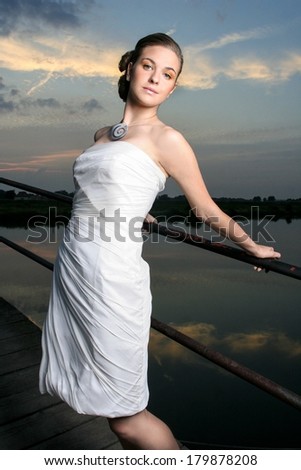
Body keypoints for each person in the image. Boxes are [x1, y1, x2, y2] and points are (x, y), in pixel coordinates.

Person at [39, 32, 281, 450]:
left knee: (127, 418)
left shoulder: (168, 140)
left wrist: (250, 244)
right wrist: (139, 209)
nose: (155, 78)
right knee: (107, 407)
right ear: (130, 66)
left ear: (172, 88)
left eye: (167, 74)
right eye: (149, 65)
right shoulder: (102, 134)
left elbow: (205, 210)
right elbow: (102, 190)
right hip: (73, 270)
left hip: (112, 278)